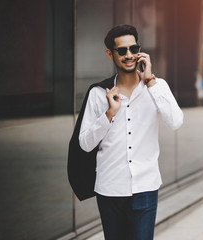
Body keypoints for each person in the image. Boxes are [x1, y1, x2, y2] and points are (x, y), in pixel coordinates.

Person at [78, 24, 183, 240]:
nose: (129, 55)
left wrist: (151, 81)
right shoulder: (99, 94)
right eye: (122, 50)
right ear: (110, 54)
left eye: (134, 49)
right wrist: (109, 114)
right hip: (109, 189)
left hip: (145, 187)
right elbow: (85, 144)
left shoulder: (157, 86)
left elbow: (175, 122)